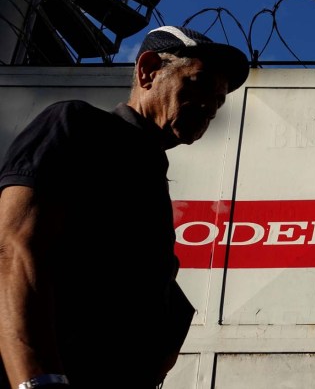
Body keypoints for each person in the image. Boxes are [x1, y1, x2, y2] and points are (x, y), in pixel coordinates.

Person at [0, 26, 249, 389]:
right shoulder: (79, 126)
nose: (209, 107)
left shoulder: (149, 174)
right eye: (197, 83)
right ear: (148, 70)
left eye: (218, 99)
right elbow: (15, 248)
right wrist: (38, 379)